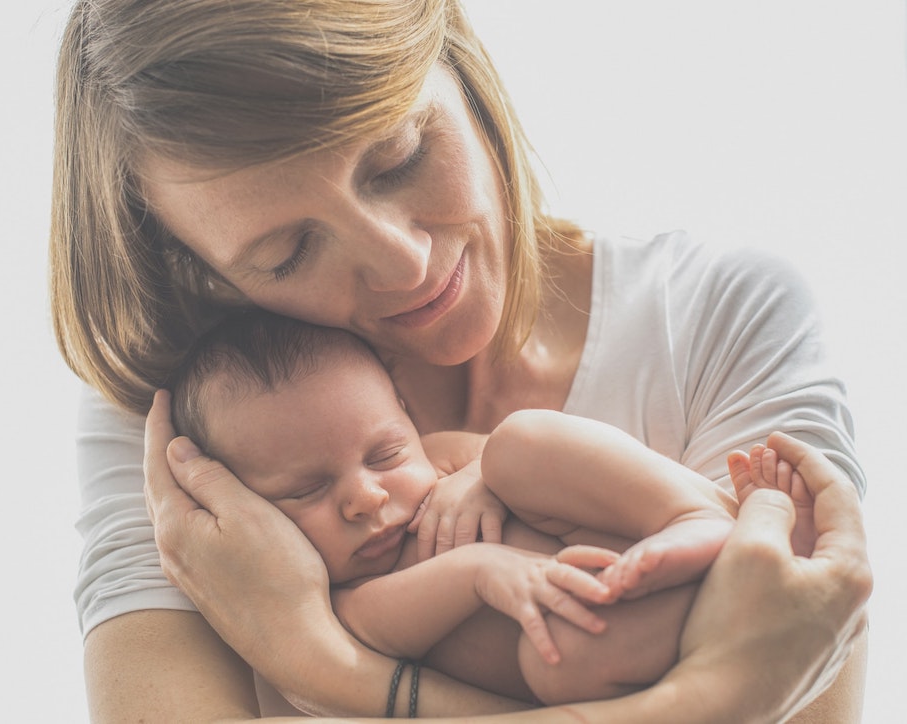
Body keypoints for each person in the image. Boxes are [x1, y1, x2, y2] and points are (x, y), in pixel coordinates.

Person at [50, 0, 871, 719]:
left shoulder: (712, 317)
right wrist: (708, 701)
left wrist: (326, 667)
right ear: (202, 267)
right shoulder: (194, 425)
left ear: (460, 61)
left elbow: (805, 652)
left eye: (401, 154)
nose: (404, 263)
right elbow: (760, 668)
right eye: (288, 252)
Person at [167, 310, 738, 706]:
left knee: (520, 444)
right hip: (618, 637)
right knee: (558, 662)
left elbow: (517, 460)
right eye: (305, 491)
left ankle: (693, 516)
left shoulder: (439, 457)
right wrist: (482, 570)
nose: (367, 496)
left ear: (405, 411)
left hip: (630, 545)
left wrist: (478, 476)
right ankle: (708, 603)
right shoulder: (336, 605)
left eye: (386, 453)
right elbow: (380, 634)